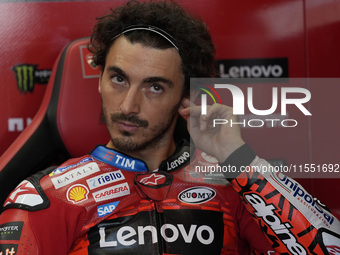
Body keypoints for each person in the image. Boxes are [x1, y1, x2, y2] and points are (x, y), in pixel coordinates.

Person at [0, 0, 339, 254]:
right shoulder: (48, 196)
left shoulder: (231, 183)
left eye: (155, 87)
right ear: (100, 79)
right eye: (118, 79)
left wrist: (239, 158)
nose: (128, 106)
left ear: (186, 98)